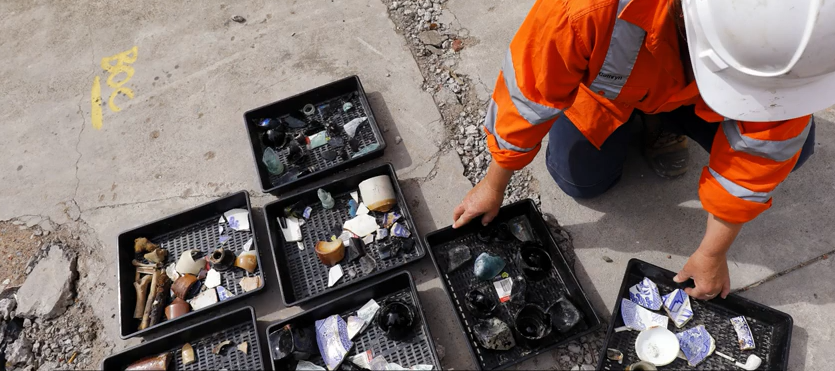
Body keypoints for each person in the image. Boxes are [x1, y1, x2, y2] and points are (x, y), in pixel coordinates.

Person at [452, 0, 835, 300]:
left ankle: (664, 120)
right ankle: (646, 119)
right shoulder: (586, 9)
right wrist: (494, 182)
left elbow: (763, 153)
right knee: (580, 179)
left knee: (793, 150)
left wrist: (712, 253)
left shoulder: (803, 38)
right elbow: (527, 95)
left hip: (695, 93)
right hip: (606, 91)